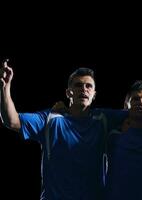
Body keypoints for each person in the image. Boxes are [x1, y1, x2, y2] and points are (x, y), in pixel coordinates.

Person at [0, 59, 126, 200]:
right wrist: (5, 87)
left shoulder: (103, 118)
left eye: (88, 86)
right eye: (78, 85)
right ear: (68, 93)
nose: (84, 89)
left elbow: (135, 114)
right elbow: (11, 120)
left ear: (94, 94)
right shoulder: (50, 119)